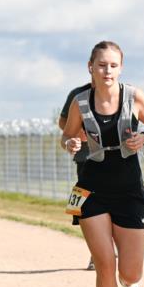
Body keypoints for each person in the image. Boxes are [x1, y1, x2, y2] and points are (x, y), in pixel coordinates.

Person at [61, 40, 144, 287]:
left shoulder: (134, 97)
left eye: (113, 65)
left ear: (121, 68)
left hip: (129, 190)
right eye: (101, 65)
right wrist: (70, 144)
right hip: (90, 188)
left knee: (129, 271)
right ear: (90, 67)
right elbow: (66, 135)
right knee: (104, 263)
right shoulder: (80, 102)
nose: (107, 71)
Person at [58, 80, 94, 270]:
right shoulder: (78, 94)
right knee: (80, 206)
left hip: (112, 158)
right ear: (91, 67)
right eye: (101, 65)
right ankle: (95, 253)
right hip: (84, 157)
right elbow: (62, 122)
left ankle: (105, 250)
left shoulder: (119, 93)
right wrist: (75, 133)